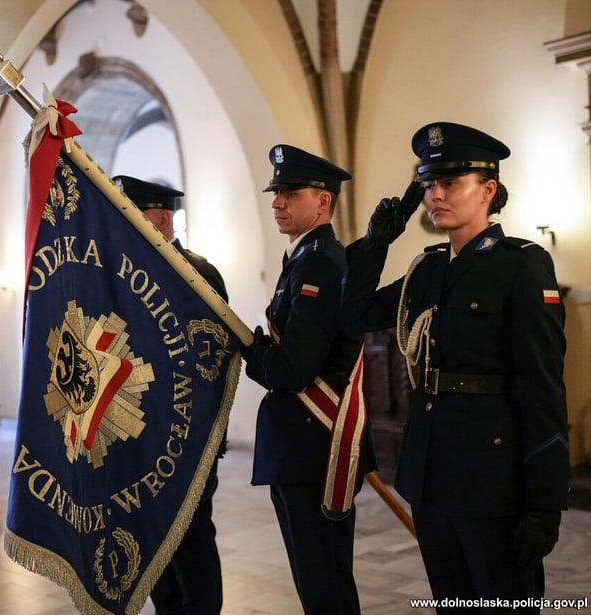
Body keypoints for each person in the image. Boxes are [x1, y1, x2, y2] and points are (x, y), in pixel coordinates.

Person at [342, 122, 569, 613]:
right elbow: (353, 316)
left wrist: (544, 504)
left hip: (493, 479)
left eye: (450, 183)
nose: (435, 195)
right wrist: (375, 244)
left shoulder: (522, 266)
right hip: (430, 473)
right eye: (428, 184)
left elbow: (544, 390)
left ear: (488, 190)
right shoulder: (428, 269)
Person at [240, 145, 376, 615]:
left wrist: (248, 349)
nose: (276, 202)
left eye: (289, 192)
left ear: (323, 201)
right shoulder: (304, 259)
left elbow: (293, 371)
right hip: (304, 442)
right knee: (319, 577)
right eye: (276, 192)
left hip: (314, 443)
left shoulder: (319, 263)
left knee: (324, 581)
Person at [113, 174, 228, 615]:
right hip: (140, 434)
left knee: (193, 537)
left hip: (188, 437)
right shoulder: (124, 273)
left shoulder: (197, 274)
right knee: (152, 537)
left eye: (131, 214)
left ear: (162, 219)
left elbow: (213, 359)